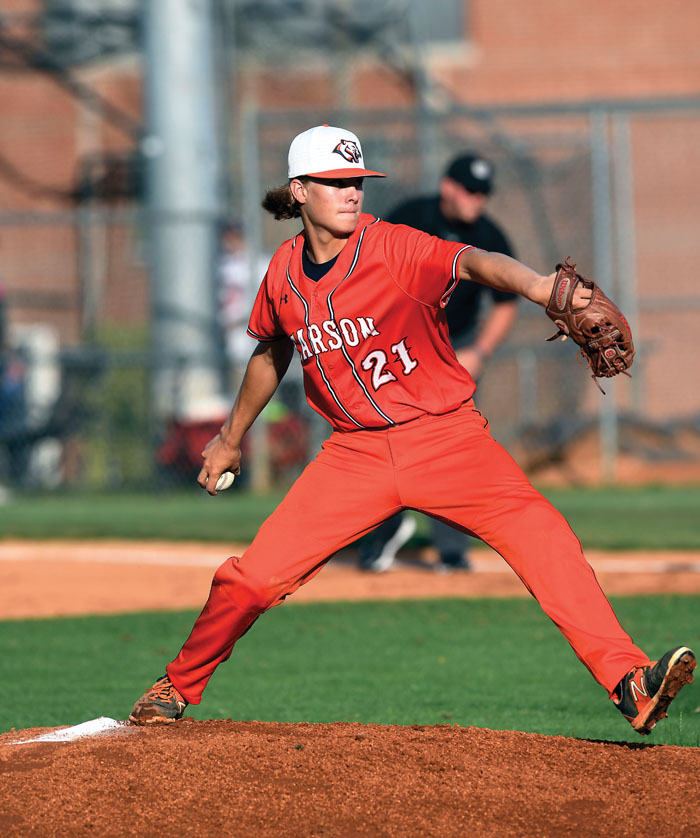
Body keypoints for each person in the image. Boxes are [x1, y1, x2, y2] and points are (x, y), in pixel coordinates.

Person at [129, 124, 695, 736]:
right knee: (251, 581)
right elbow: (272, 351)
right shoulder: (282, 273)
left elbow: (470, 261)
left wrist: (536, 286)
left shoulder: (393, 246)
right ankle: (175, 684)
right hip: (354, 456)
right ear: (299, 191)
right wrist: (230, 436)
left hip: (447, 438)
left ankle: (629, 681)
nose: (352, 192)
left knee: (546, 538)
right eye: (336, 182)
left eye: (357, 181)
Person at [356, 151, 518, 572]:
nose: (477, 200)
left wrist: (480, 351)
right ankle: (384, 530)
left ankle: (452, 550)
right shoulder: (411, 217)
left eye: (483, 193)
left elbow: (505, 304)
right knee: (383, 439)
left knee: (451, 447)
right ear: (448, 187)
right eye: (469, 191)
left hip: (454, 347)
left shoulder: (489, 234)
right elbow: (366, 269)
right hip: (398, 345)